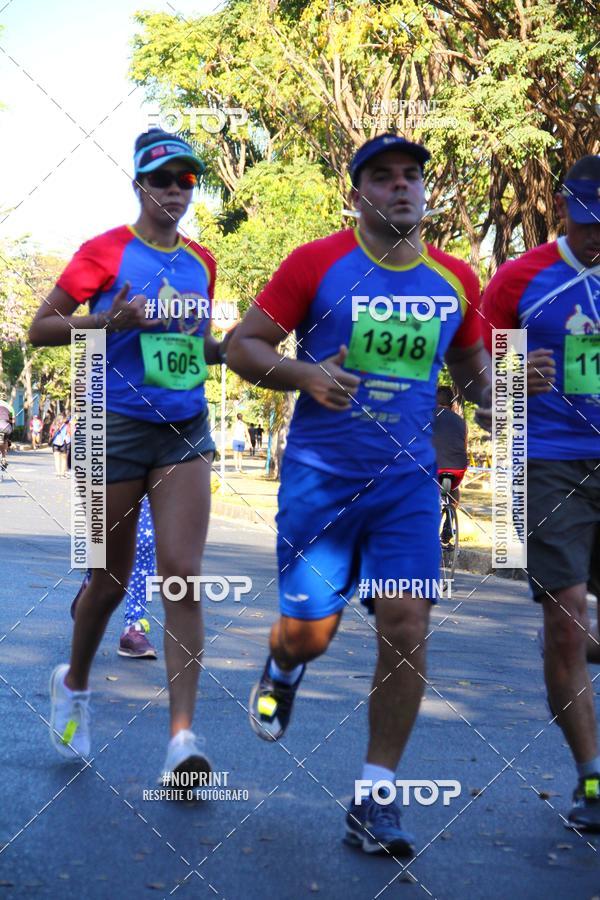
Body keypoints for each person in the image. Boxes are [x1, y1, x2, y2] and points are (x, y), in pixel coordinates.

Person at [228, 133, 491, 855]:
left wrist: (508, 399)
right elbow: (242, 346)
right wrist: (305, 376)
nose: (401, 187)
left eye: (412, 176)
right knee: (311, 633)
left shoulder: (455, 280)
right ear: (358, 194)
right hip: (322, 481)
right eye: (383, 177)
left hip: (407, 485)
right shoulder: (316, 263)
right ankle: (283, 664)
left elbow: (473, 377)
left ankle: (375, 800)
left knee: (406, 625)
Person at [29, 128, 232, 782]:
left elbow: (198, 347)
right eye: (164, 178)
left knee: (181, 574)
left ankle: (181, 741)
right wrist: (107, 324)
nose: (176, 190)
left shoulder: (201, 260)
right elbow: (41, 328)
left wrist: (248, 351)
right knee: (110, 581)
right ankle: (76, 681)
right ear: (140, 183)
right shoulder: (105, 252)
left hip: (184, 429)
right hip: (111, 428)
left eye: (187, 180)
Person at [481, 154, 600, 831]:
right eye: (588, 222)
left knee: (579, 628)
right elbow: (478, 377)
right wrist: (512, 378)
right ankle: (592, 778)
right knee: (564, 623)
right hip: (551, 461)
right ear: (564, 211)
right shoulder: (519, 280)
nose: (597, 237)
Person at [71, 494, 158, 659]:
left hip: (153, 473)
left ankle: (133, 628)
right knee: (104, 539)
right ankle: (91, 587)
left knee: (145, 541)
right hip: (106, 472)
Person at [432, 384, 468, 543]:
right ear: (452, 403)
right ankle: (449, 521)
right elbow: (464, 447)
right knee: (453, 489)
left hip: (433, 470)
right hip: (457, 470)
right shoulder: (461, 422)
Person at [0, 399, 14, 471]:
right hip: (6, 428)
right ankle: (4, 458)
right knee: (5, 440)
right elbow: (12, 420)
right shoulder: (8, 408)